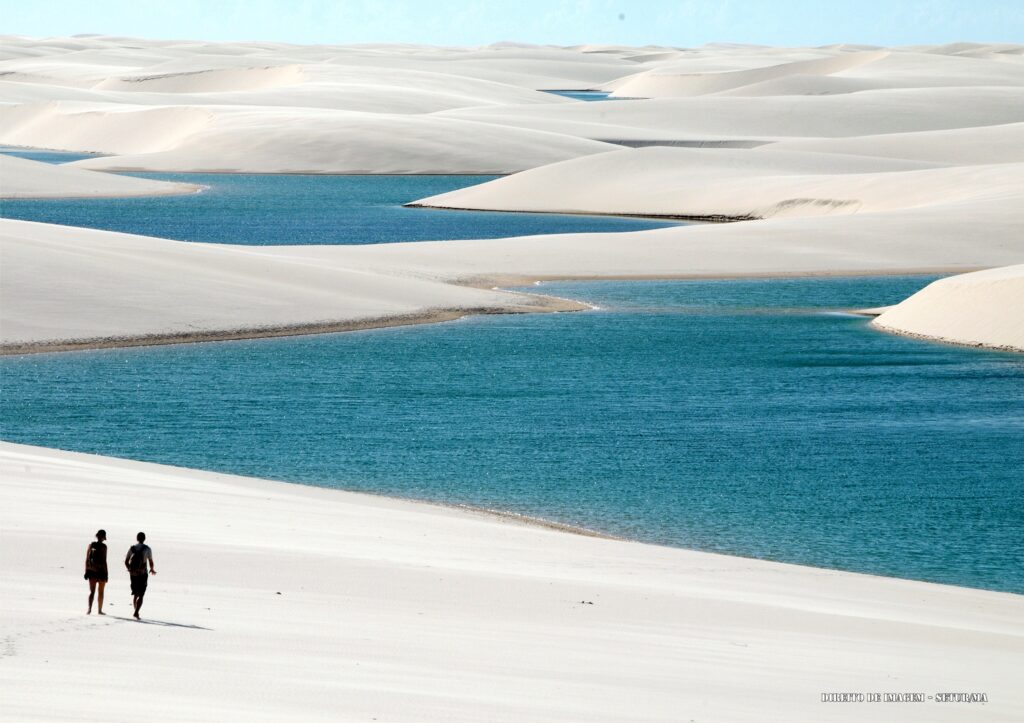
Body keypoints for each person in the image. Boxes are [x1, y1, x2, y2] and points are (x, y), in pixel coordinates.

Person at [125, 531, 156, 620]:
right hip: (143, 574)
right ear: (144, 539)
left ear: (137, 538)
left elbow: (126, 561)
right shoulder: (147, 549)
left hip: (133, 574)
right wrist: (152, 569)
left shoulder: (132, 548)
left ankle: (136, 611)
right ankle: (136, 612)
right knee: (141, 595)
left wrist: (130, 569)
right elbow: (150, 561)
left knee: (135, 593)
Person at [84, 529, 108, 615]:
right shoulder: (104, 547)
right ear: (104, 537)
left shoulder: (91, 545)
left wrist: (86, 571)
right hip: (101, 571)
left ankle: (89, 609)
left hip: (91, 571)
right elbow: (104, 561)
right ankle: (99, 610)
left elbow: (87, 559)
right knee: (101, 591)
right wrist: (106, 574)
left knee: (92, 591)